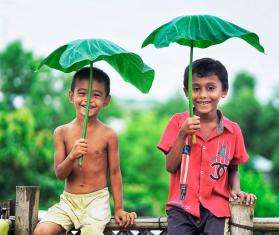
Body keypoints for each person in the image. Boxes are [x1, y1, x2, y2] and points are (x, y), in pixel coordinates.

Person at [157, 58, 256, 235]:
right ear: (187, 92)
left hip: (215, 210)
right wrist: (183, 134)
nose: (203, 95)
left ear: (223, 91)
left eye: (210, 88)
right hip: (181, 208)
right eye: (196, 88)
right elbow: (170, 166)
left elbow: (232, 169)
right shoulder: (177, 122)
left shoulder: (233, 131)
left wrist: (236, 189)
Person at [34, 67, 136, 235]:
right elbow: (60, 174)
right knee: (41, 231)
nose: (88, 100)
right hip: (68, 201)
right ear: (71, 96)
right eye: (82, 93)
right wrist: (72, 156)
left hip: (96, 201)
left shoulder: (109, 134)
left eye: (96, 95)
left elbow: (115, 173)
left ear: (106, 100)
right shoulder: (61, 132)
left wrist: (119, 208)